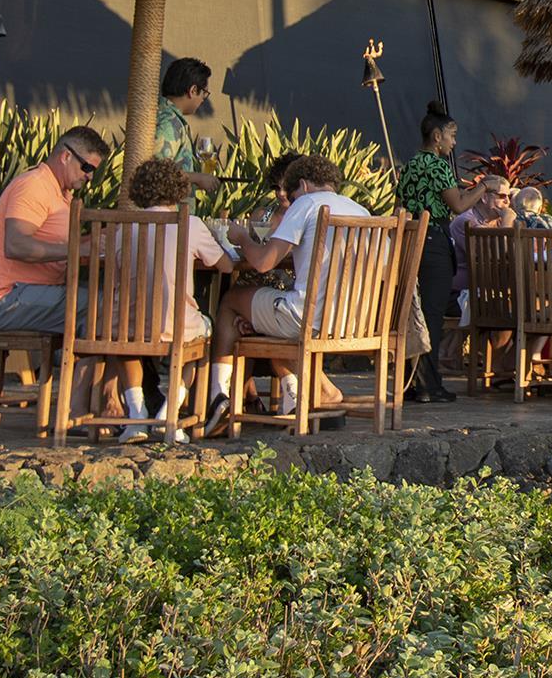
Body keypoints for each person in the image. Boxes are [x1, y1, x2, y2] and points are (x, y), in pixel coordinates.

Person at [207, 154, 366, 431]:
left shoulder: (306, 203)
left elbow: (264, 262)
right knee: (272, 308)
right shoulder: (361, 210)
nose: (289, 199)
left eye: (290, 194)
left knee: (232, 300)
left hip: (308, 319)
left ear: (302, 185)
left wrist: (242, 237)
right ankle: (299, 397)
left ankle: (219, 397)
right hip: (357, 322)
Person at [112, 157, 227, 441]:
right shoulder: (191, 224)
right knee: (204, 331)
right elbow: (226, 266)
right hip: (176, 326)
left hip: (127, 325)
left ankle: (137, 417)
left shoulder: (122, 226)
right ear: (179, 190)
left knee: (128, 338)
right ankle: (170, 412)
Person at [393, 103, 487, 403]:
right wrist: (484, 187)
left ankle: (410, 382)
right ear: (437, 136)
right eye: (452, 135)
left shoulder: (409, 166)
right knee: (432, 314)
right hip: (433, 241)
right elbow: (458, 205)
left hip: (410, 243)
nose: (454, 142)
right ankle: (428, 385)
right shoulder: (436, 166)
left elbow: (400, 207)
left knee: (413, 313)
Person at [0, 126, 109, 333]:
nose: (90, 177)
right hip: (4, 301)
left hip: (28, 294)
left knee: (112, 300)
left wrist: (98, 238)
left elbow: (63, 245)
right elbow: (16, 246)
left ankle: (79, 362)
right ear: (66, 156)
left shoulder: (58, 192)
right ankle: (79, 364)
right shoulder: (34, 185)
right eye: (87, 168)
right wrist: (76, 249)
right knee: (109, 306)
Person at [153, 57, 220, 194]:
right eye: (204, 93)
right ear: (193, 90)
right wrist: (197, 177)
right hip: (167, 213)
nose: (202, 100)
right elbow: (156, 173)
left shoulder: (167, 117)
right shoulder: (169, 123)